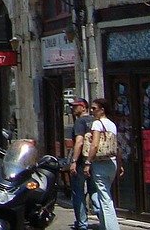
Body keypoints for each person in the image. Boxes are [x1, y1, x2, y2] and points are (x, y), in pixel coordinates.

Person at [86, 98, 121, 230]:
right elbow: (117, 147)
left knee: (105, 198)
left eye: (94, 108)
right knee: (104, 195)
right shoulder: (112, 125)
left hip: (100, 164)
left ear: (102, 110)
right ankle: (104, 226)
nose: (92, 111)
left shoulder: (97, 124)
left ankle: (112, 227)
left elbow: (94, 145)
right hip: (112, 163)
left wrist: (88, 162)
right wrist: (120, 163)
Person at [67, 98, 93, 230]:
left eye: (76, 106)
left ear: (83, 107)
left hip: (82, 162)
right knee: (95, 192)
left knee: (78, 192)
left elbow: (79, 142)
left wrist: (74, 161)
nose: (73, 108)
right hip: (94, 161)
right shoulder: (95, 121)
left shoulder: (80, 122)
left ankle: (82, 224)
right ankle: (105, 222)